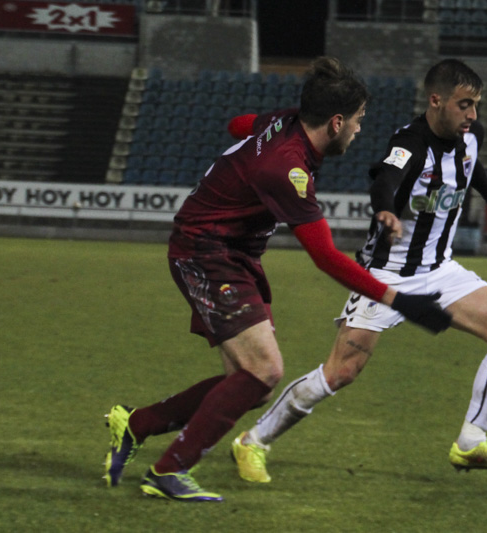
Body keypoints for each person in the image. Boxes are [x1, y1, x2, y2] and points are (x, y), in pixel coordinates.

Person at [102, 57, 452, 502]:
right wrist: (400, 301)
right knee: (264, 371)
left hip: (232, 253)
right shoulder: (288, 170)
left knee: (248, 385)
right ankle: (168, 470)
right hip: (205, 252)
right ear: (337, 121)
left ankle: (137, 424)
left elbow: (237, 124)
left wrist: (249, 149)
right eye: (359, 121)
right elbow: (324, 257)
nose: (360, 130)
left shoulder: (285, 124)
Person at [230, 59, 487, 484]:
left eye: (476, 105)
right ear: (436, 101)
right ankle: (253, 441)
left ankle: (471, 441)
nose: (472, 115)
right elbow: (385, 178)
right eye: (464, 104)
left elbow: (472, 167)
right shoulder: (409, 141)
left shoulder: (471, 136)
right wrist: (386, 210)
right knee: (342, 371)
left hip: (441, 269)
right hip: (387, 272)